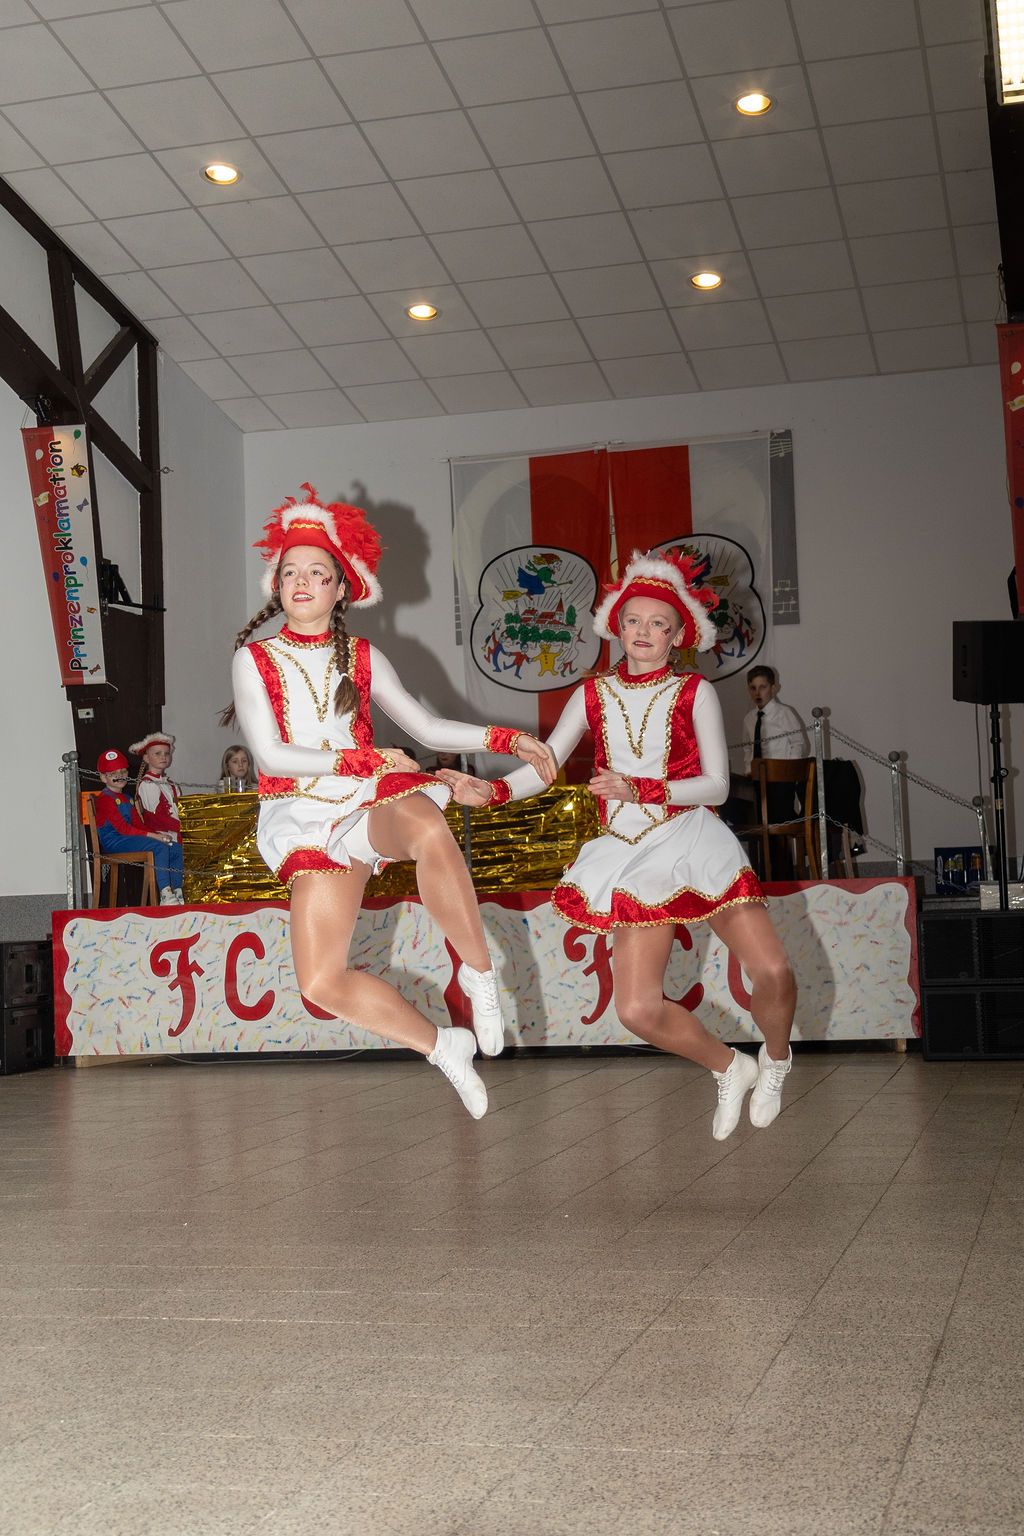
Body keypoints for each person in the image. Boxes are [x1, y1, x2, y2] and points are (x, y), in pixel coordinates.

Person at [440, 550, 797, 1140]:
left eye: (658, 623)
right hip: (630, 851)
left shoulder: (694, 690)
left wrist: (640, 788)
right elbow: (547, 766)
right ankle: (730, 1067)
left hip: (693, 836)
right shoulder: (592, 694)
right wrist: (495, 792)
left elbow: (717, 784)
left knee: (774, 970)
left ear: (678, 634)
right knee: (635, 1010)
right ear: (616, 626)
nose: (644, 632)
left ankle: (777, 1061)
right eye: (633, 621)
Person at [229, 483, 557, 1118]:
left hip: (366, 796)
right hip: (305, 813)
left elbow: (427, 729)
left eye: (317, 572)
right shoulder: (254, 659)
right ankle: (442, 1045)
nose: (302, 582)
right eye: (290, 571)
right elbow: (270, 756)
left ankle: (479, 975)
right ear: (277, 585)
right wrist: (364, 757)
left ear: (341, 589)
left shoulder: (362, 655)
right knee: (320, 982)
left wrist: (505, 737)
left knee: (428, 825)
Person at [93, 748, 184, 906]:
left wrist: (159, 835)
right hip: (115, 842)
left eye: (123, 771)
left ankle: (177, 892)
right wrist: (154, 837)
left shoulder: (127, 799)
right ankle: (165, 894)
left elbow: (139, 826)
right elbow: (123, 829)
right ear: (103, 777)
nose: (120, 776)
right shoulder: (105, 799)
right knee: (159, 846)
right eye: (114, 773)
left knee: (175, 848)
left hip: (129, 839)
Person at [130, 731, 183, 903]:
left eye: (166, 753)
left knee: (182, 850)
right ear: (146, 758)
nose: (163, 757)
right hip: (158, 833)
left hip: (173, 832)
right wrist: (183, 828)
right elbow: (155, 817)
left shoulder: (171, 784)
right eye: (157, 754)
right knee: (173, 848)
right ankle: (166, 893)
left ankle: (179, 891)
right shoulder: (148, 784)